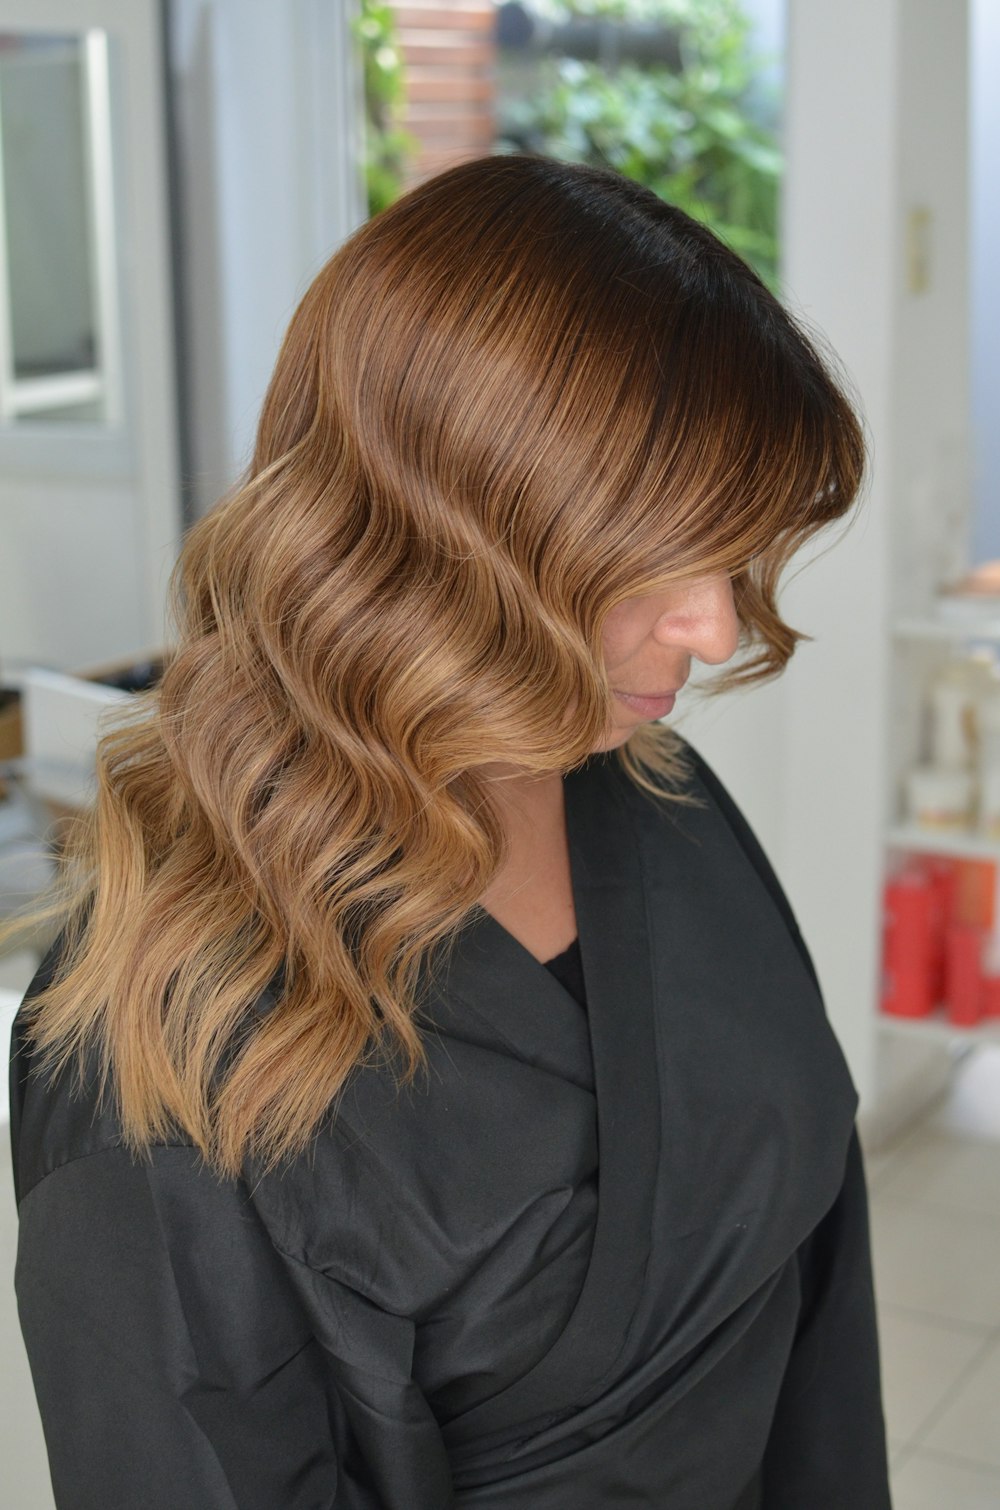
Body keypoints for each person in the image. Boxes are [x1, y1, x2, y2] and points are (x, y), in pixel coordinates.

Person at [6, 154, 891, 1508]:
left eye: (735, 547)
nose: (714, 626)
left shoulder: (657, 799)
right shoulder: (159, 1063)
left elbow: (816, 1274)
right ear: (445, 528)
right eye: (658, 551)